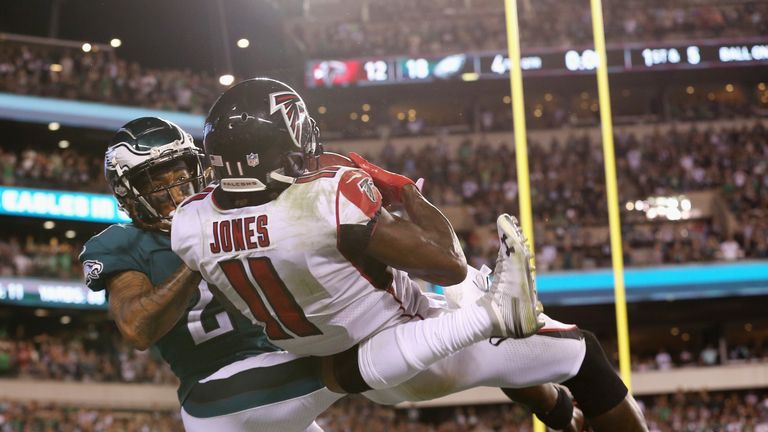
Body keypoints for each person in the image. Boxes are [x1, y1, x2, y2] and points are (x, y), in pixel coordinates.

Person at [172, 78, 648, 431]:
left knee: (483, 321)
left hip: (342, 364)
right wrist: (400, 192)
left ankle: (562, 416)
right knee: (582, 353)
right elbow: (445, 262)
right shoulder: (322, 200)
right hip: (413, 345)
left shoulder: (190, 224)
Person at [82, 117, 584, 432]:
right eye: (156, 180)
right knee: (364, 356)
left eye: (180, 172)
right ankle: (493, 320)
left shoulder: (226, 208)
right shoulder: (121, 244)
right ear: (127, 191)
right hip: (222, 392)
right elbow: (137, 327)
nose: (175, 189)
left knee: (399, 325)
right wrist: (196, 257)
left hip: (282, 369)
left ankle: (548, 397)